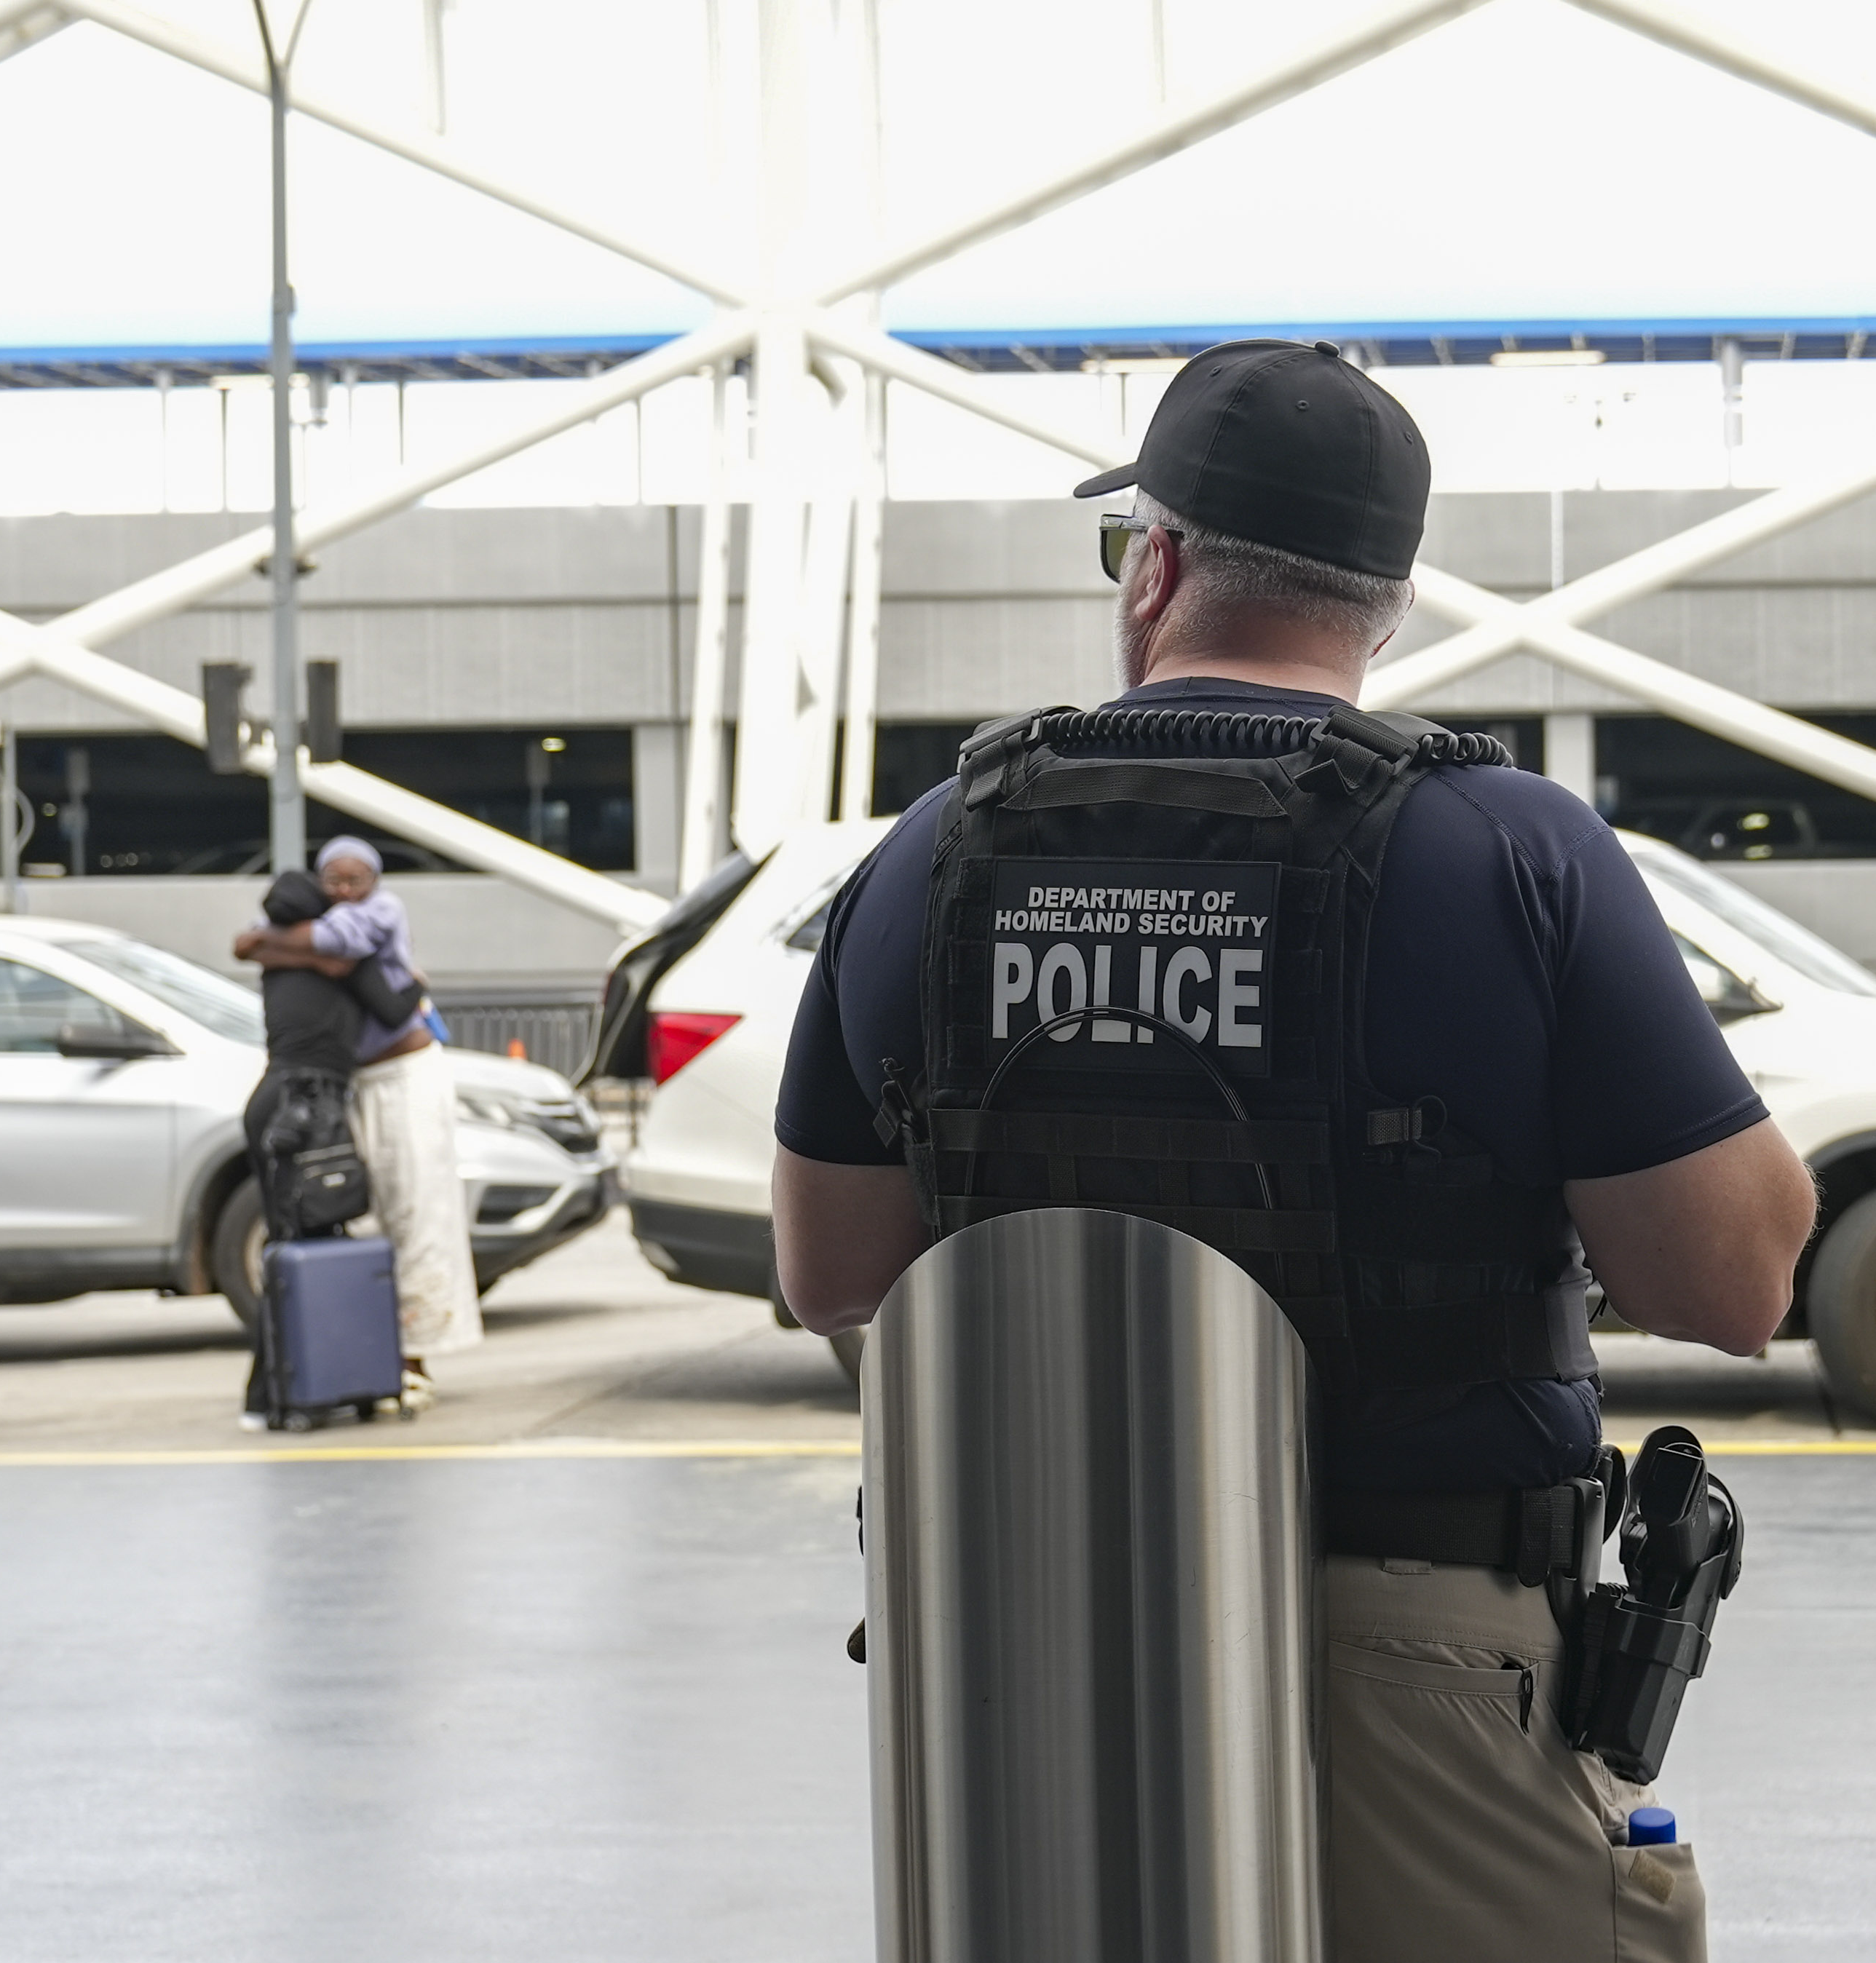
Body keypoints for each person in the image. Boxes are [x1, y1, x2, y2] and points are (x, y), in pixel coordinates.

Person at [769, 339, 1816, 1963]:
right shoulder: (1509, 848)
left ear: (1156, 566)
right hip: (1416, 1655)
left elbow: (831, 1271)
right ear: (1383, 608)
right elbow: (1733, 1282)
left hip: (1018, 1654)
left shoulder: (934, 848)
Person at [234, 836, 481, 1397]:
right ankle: (375, 1354)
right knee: (361, 1216)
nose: (345, 891)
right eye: (334, 881)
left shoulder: (379, 912)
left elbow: (333, 948)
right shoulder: (318, 917)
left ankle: (416, 1359)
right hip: (348, 1084)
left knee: (416, 1210)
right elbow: (251, 944)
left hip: (404, 1075)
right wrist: (270, 945)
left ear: (376, 880)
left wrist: (268, 944)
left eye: (357, 881)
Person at [235, 865, 424, 1424]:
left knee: (287, 1245)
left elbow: (247, 943)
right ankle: (282, 1393)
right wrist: (419, 981)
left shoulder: (272, 956)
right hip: (311, 1108)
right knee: (311, 1239)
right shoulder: (347, 959)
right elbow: (394, 1009)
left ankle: (286, 1390)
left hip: (272, 1102)